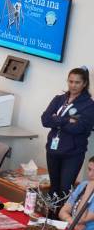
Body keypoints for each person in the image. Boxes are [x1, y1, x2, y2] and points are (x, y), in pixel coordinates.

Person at [40, 67, 94, 198]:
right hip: (53, 150)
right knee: (53, 187)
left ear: (84, 83)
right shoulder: (59, 99)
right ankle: (51, 217)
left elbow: (79, 128)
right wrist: (67, 120)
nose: (73, 85)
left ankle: (61, 217)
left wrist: (56, 119)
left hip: (72, 153)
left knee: (64, 190)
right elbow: (45, 120)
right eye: (71, 81)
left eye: (77, 82)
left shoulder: (88, 105)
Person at [58, 156, 94, 230]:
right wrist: (72, 223)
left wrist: (88, 191)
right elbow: (62, 212)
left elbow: (80, 218)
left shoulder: (88, 186)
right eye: (89, 169)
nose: (90, 174)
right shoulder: (83, 185)